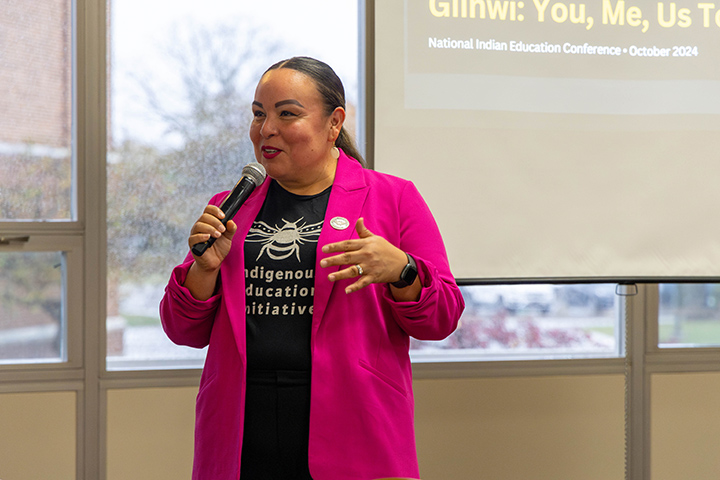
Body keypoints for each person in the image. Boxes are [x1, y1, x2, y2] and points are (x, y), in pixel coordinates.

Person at [160, 56, 464, 480]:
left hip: (351, 424)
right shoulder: (229, 207)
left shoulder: (392, 199)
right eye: (258, 114)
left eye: (287, 114)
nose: (266, 129)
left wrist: (403, 271)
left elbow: (442, 317)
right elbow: (182, 329)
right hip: (242, 427)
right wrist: (204, 270)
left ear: (334, 122)